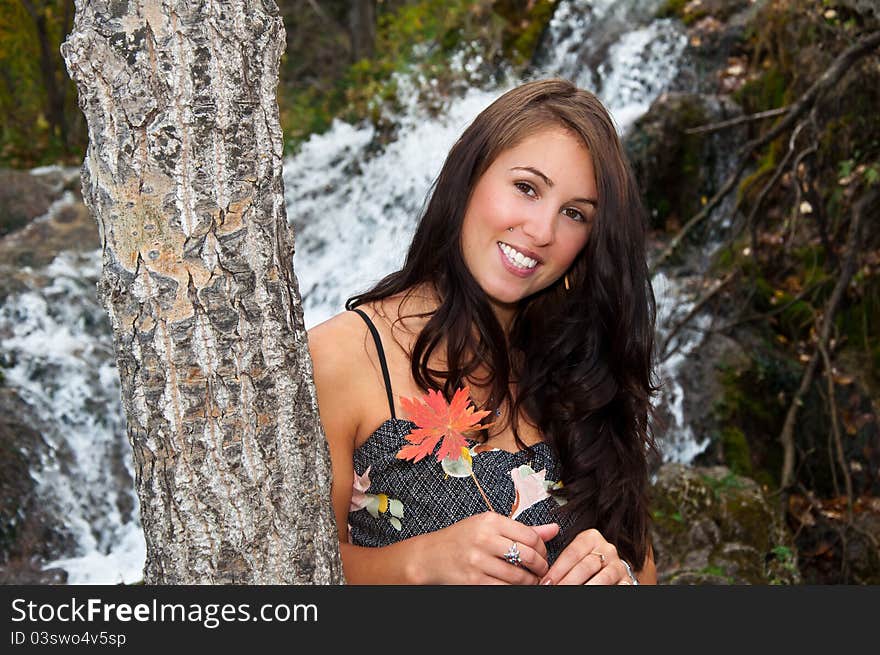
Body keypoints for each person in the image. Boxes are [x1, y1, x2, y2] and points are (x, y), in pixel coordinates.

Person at [307, 78, 659, 585]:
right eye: (526, 188)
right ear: (469, 175)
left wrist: (617, 576)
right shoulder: (342, 357)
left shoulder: (584, 374)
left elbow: (644, 572)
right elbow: (286, 579)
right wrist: (420, 564)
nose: (541, 231)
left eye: (575, 214)